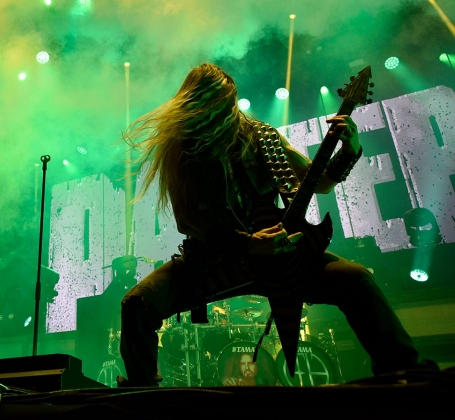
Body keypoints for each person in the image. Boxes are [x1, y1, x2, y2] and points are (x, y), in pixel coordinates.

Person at [118, 63, 426, 387]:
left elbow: (317, 182)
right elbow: (189, 222)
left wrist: (349, 150)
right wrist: (248, 243)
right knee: (138, 305)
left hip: (280, 257)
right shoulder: (184, 149)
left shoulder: (261, 136)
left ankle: (403, 374)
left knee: (357, 280)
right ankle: (142, 396)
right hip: (215, 260)